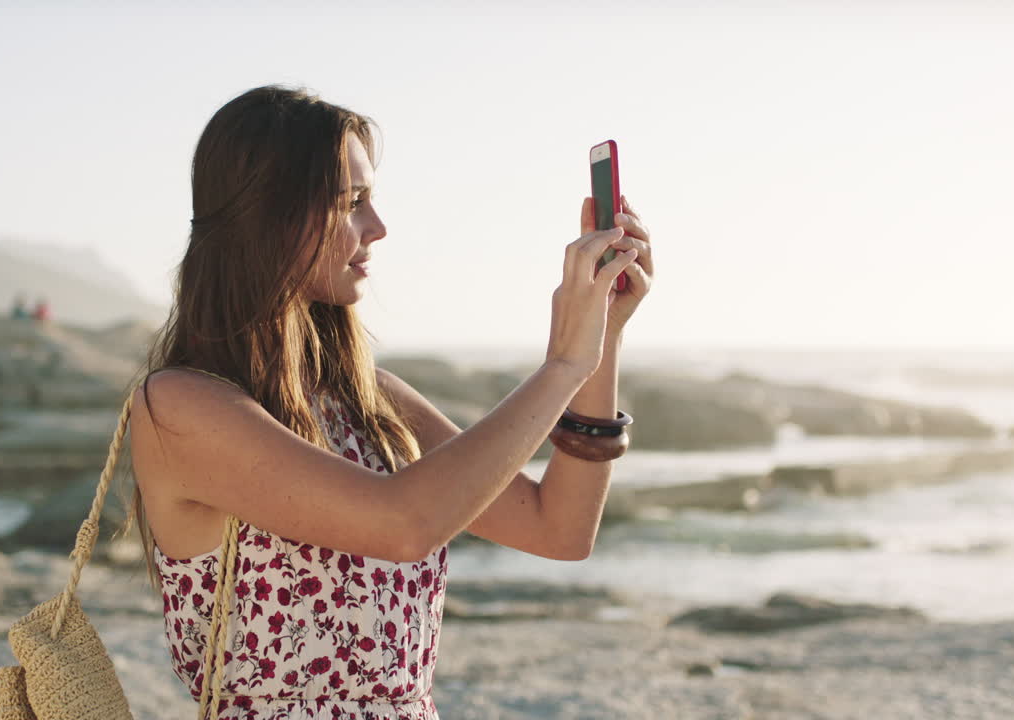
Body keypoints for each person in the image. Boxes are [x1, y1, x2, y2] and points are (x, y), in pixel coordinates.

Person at [122, 84, 653, 719]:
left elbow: (557, 528)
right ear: (270, 214)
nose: (377, 226)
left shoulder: (367, 398)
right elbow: (401, 524)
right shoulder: (180, 407)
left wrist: (603, 339)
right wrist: (563, 364)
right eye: (352, 203)